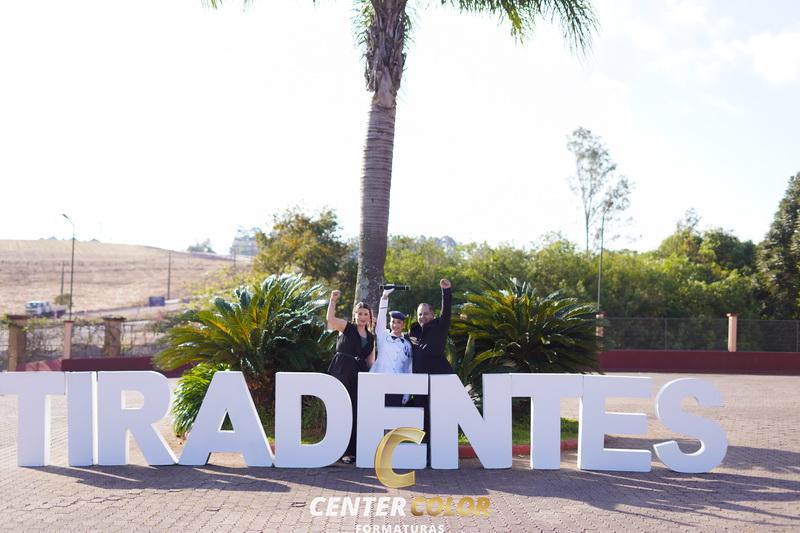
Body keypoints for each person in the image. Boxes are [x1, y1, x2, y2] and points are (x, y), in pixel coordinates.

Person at [326, 290, 375, 464]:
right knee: (340, 409)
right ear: (355, 315)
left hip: (359, 374)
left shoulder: (371, 337)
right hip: (341, 369)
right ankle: (337, 450)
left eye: (366, 314)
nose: (362, 317)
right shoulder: (347, 327)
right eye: (359, 313)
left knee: (355, 410)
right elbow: (331, 320)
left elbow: (371, 362)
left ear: (370, 317)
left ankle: (351, 451)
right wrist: (333, 300)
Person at [409, 279, 455, 463]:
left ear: (432, 314)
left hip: (438, 378)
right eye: (420, 314)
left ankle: (439, 450)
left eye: (426, 313)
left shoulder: (439, 326)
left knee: (438, 414)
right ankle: (424, 450)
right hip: (419, 381)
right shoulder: (413, 331)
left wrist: (446, 291)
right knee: (422, 415)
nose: (423, 317)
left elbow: (447, 310)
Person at [370, 287, 413, 407]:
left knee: (394, 415)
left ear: (403, 325)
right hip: (379, 383)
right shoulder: (383, 336)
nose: (395, 325)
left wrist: (407, 393)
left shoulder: (407, 345)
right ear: (389, 323)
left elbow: (408, 369)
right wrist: (384, 298)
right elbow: (381, 318)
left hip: (397, 386)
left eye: (399, 322)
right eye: (393, 322)